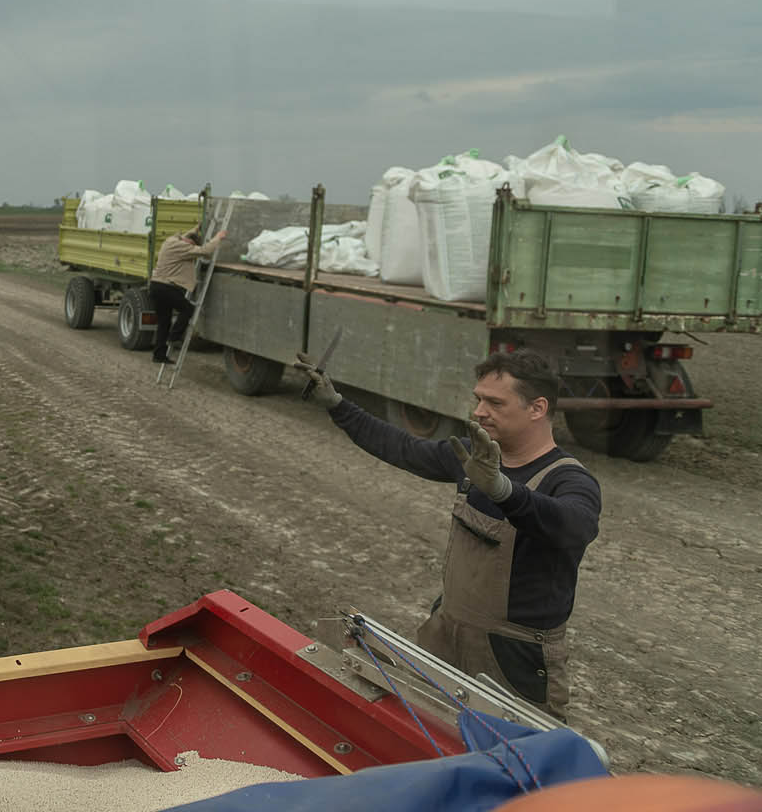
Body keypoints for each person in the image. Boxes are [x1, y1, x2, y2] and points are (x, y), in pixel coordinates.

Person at [293, 348, 600, 720]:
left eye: (494, 403)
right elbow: (402, 447)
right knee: (423, 733)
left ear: (537, 408)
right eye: (478, 399)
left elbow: (575, 525)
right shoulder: (475, 457)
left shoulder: (568, 479)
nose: (478, 412)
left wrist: (504, 491)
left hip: (513, 658)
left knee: (517, 762)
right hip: (446, 634)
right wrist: (337, 404)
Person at [146, 224, 227, 364]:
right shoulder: (184, 248)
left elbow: (187, 236)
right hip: (166, 287)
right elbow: (205, 251)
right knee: (188, 309)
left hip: (155, 286)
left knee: (164, 322)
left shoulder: (171, 240)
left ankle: (158, 355)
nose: (192, 251)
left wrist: (196, 228)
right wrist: (218, 238)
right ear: (190, 243)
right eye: (192, 247)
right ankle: (174, 337)